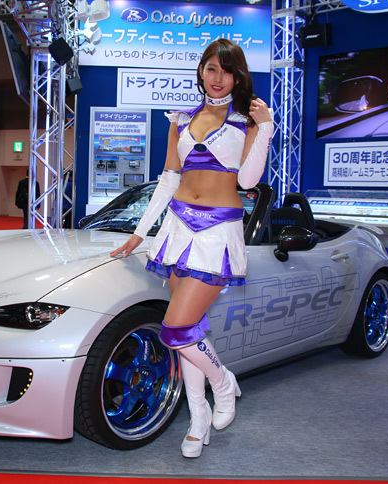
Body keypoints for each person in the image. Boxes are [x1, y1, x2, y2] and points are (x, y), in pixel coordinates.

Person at [110, 39, 273, 458]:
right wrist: (140, 233)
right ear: (201, 70)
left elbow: (248, 181)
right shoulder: (181, 118)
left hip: (218, 232)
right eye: (211, 69)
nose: (218, 78)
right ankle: (198, 420)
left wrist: (266, 128)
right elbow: (169, 179)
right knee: (190, 331)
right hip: (178, 228)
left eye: (227, 71)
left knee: (175, 330)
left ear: (238, 76)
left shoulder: (246, 120)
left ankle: (223, 383)